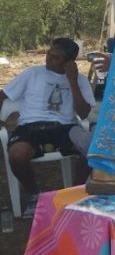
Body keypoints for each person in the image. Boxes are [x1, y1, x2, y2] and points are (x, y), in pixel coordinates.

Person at [0, 38, 95, 217]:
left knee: (94, 147)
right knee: (17, 155)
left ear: (69, 62)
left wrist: (72, 81)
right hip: (30, 126)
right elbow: (2, 95)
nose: (48, 59)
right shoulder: (32, 73)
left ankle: (73, 194)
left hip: (64, 127)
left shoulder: (80, 80)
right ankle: (36, 196)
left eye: (55, 57)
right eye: (48, 54)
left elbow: (83, 114)